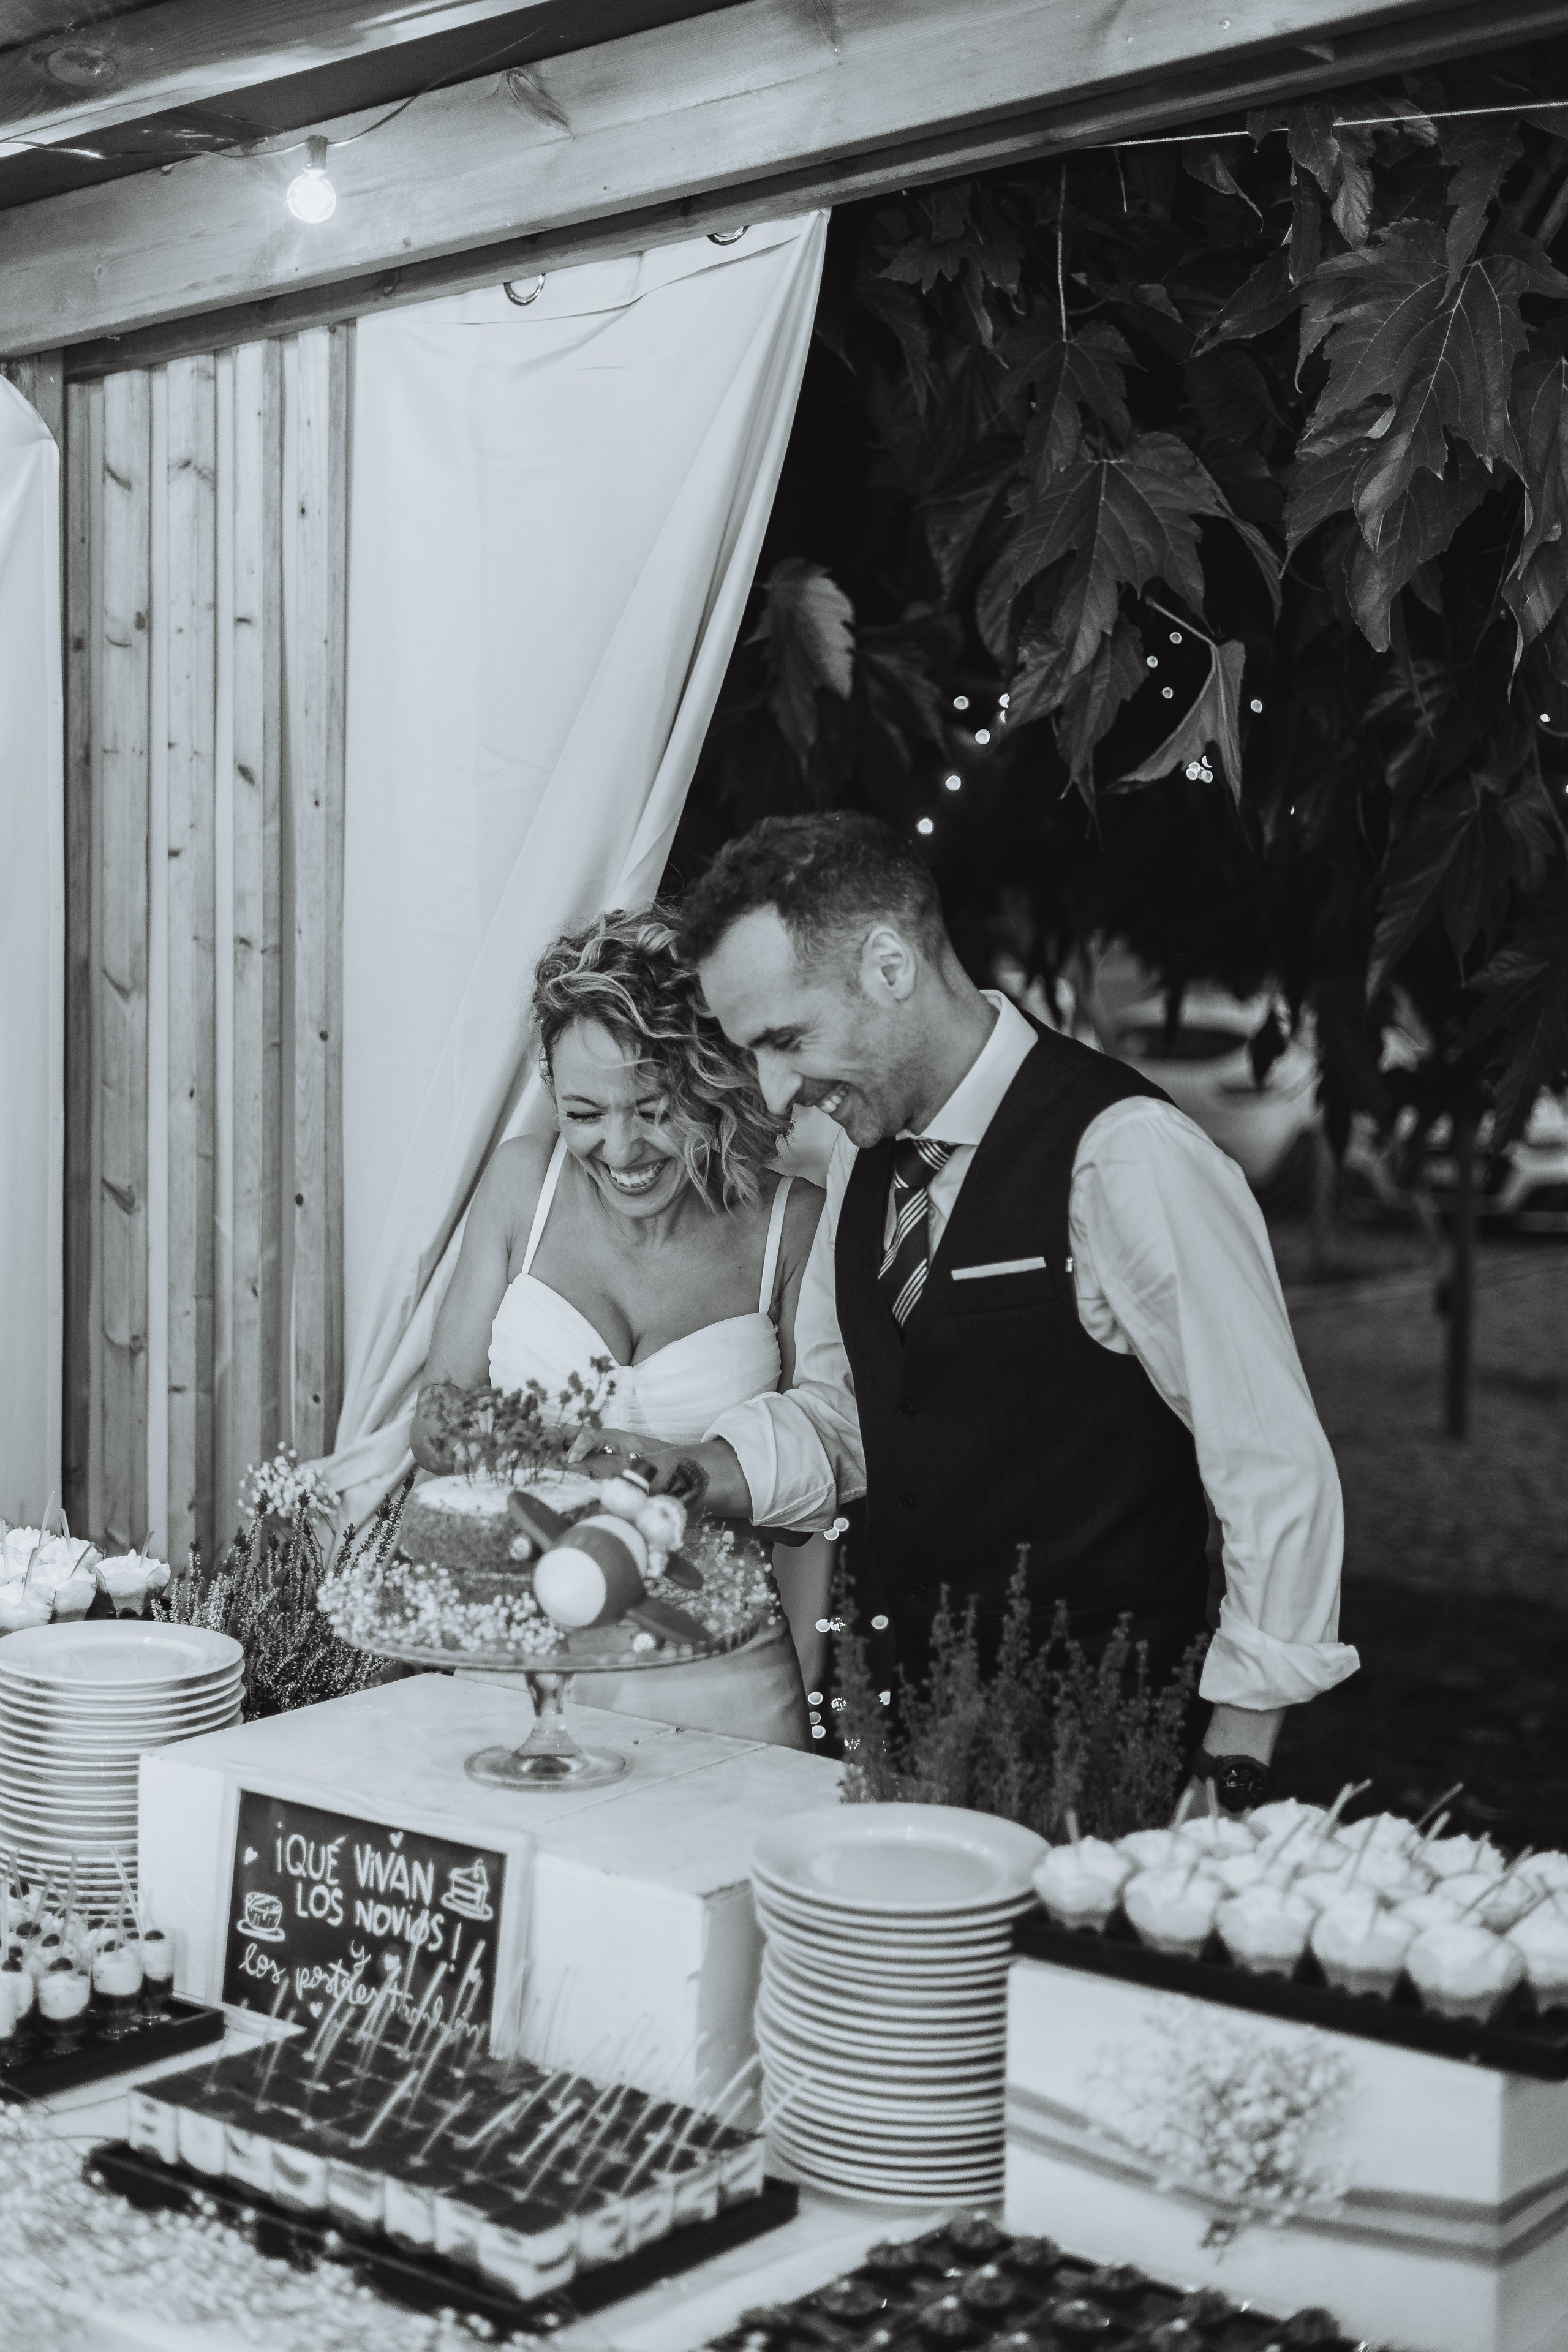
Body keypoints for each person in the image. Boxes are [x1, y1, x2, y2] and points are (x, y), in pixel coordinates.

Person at [586, 812, 1359, 1817]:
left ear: (890, 966)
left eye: (786, 1040)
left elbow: (1271, 1468)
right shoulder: (861, 1162)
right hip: (908, 1746)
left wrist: (1233, 1765)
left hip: (1112, 1755)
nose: (775, 1094)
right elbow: (848, 1416)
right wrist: (692, 1472)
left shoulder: (1127, 1155)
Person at [410, 907, 824, 1749]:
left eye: (652, 1106)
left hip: (719, 1669)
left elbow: (826, 1458)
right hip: (513, 1653)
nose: (620, 1147)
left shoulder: (794, 1225)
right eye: (584, 1112)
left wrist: (698, 1475)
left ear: (712, 1082)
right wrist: (555, 1458)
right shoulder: (522, 1182)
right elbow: (436, 1418)